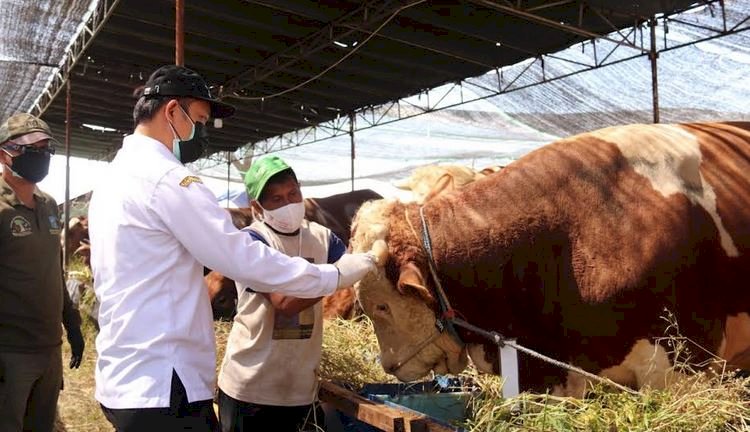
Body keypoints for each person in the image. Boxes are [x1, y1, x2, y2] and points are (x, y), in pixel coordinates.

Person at [87, 65, 375, 432]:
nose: (201, 133)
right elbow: (239, 256)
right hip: (164, 381)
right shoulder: (166, 178)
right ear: (173, 111)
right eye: (200, 120)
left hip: (127, 373)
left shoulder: (115, 177)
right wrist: (331, 276)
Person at [217, 156, 344, 432]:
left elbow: (358, 270)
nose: (288, 204)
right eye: (276, 199)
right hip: (251, 390)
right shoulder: (252, 242)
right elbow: (284, 303)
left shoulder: (323, 239)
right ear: (257, 207)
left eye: (292, 194)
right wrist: (338, 277)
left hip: (301, 389)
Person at [0, 113, 85, 431]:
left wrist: (72, 325)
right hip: (10, 353)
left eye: (46, 147)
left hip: (49, 348)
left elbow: (55, 272)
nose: (40, 153)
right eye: (27, 146)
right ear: (3, 154)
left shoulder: (49, 206)